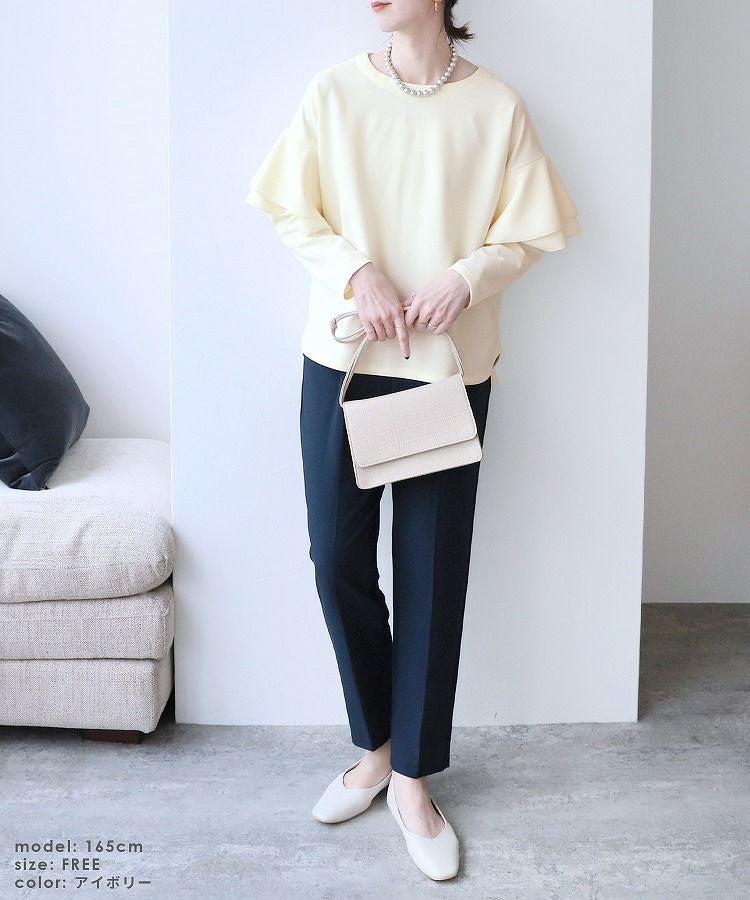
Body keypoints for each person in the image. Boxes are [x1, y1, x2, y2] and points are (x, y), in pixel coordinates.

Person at [244, 0, 580, 881]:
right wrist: (355, 268)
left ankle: (413, 780)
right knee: (335, 560)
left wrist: (467, 277)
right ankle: (377, 746)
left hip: (445, 369)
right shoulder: (334, 94)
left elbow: (532, 229)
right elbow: (289, 208)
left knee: (432, 573)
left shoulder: (496, 106)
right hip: (345, 360)